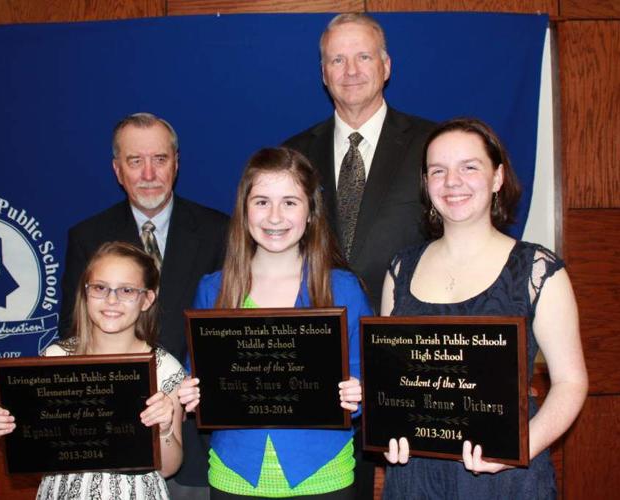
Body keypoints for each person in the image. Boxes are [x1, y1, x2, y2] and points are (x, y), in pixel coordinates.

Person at [380, 118, 588, 499]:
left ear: (497, 177)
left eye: (469, 167)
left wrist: (519, 447)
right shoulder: (399, 269)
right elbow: (393, 381)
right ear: (426, 184)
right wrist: (386, 425)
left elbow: (571, 383)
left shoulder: (537, 270)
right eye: (437, 171)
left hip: (506, 478)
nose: (452, 181)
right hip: (415, 478)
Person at [178, 147, 373, 498]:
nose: (275, 216)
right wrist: (194, 394)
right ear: (244, 209)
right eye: (262, 201)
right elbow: (202, 378)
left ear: (311, 211)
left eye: (290, 202)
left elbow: (369, 381)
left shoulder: (342, 289)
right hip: (235, 474)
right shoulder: (214, 290)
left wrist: (359, 393)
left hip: (322, 474)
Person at [59, 113, 229, 497]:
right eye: (135, 162)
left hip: (196, 445)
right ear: (118, 170)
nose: (149, 173)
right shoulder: (87, 237)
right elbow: (72, 335)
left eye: (160, 159)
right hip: (113, 441)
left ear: (177, 163)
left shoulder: (221, 231)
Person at [0, 241, 186, 499]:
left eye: (127, 290)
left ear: (147, 299)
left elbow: (169, 468)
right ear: (85, 292)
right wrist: (7, 427)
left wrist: (164, 427)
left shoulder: (165, 368)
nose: (111, 300)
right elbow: (36, 448)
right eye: (100, 288)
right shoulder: (53, 359)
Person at [284, 12, 435, 310]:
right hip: (320, 325)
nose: (350, 71)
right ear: (324, 74)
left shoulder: (430, 145)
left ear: (386, 67)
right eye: (337, 60)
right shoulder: (294, 155)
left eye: (363, 57)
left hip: (407, 324)